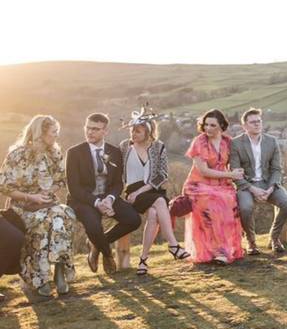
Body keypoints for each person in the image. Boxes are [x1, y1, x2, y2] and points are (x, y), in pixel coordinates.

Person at [0, 115, 78, 296]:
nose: (56, 137)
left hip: (48, 203)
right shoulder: (17, 155)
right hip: (23, 207)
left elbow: (62, 179)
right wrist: (31, 197)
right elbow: (4, 187)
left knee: (65, 215)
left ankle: (59, 271)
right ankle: (40, 278)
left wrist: (51, 189)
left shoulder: (55, 153)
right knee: (44, 222)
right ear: (40, 134)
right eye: (53, 133)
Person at [66, 113, 141, 274]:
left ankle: (95, 245)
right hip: (83, 200)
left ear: (105, 131)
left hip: (107, 197)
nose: (90, 132)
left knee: (133, 220)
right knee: (93, 226)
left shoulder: (114, 152)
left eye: (95, 129)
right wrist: (96, 203)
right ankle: (107, 254)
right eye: (87, 128)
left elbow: (117, 183)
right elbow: (74, 188)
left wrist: (110, 198)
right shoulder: (74, 153)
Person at [119, 111, 190, 275]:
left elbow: (163, 175)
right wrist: (132, 193)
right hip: (132, 191)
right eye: (132, 130)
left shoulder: (158, 147)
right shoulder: (125, 147)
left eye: (138, 131)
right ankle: (173, 245)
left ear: (148, 131)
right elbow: (116, 171)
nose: (133, 134)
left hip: (153, 189)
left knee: (153, 214)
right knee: (159, 203)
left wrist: (141, 191)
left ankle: (143, 260)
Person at [183, 109, 245, 265]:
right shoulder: (199, 142)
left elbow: (236, 163)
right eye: (205, 125)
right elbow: (203, 171)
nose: (208, 128)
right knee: (215, 202)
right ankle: (218, 252)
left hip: (222, 185)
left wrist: (239, 172)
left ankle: (225, 249)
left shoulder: (228, 142)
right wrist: (231, 175)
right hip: (198, 185)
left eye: (212, 125)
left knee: (229, 199)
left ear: (221, 126)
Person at [231, 108, 287, 255]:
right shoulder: (236, 143)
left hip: (268, 184)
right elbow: (235, 173)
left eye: (259, 121)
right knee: (245, 208)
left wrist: (271, 188)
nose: (257, 124)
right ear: (244, 126)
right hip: (246, 185)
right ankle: (251, 242)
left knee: (286, 202)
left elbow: (277, 169)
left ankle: (274, 238)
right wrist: (253, 189)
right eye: (253, 122)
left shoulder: (271, 141)